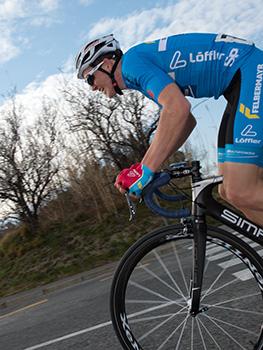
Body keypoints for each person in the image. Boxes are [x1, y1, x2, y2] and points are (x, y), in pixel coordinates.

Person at [75, 33, 263, 226]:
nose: (92, 88)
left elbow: (177, 108)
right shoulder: (138, 73)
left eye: (90, 79)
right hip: (238, 81)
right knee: (228, 191)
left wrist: (145, 169)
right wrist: (146, 166)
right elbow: (186, 122)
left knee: (240, 190)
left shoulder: (132, 64)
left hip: (248, 70)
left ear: (106, 64)